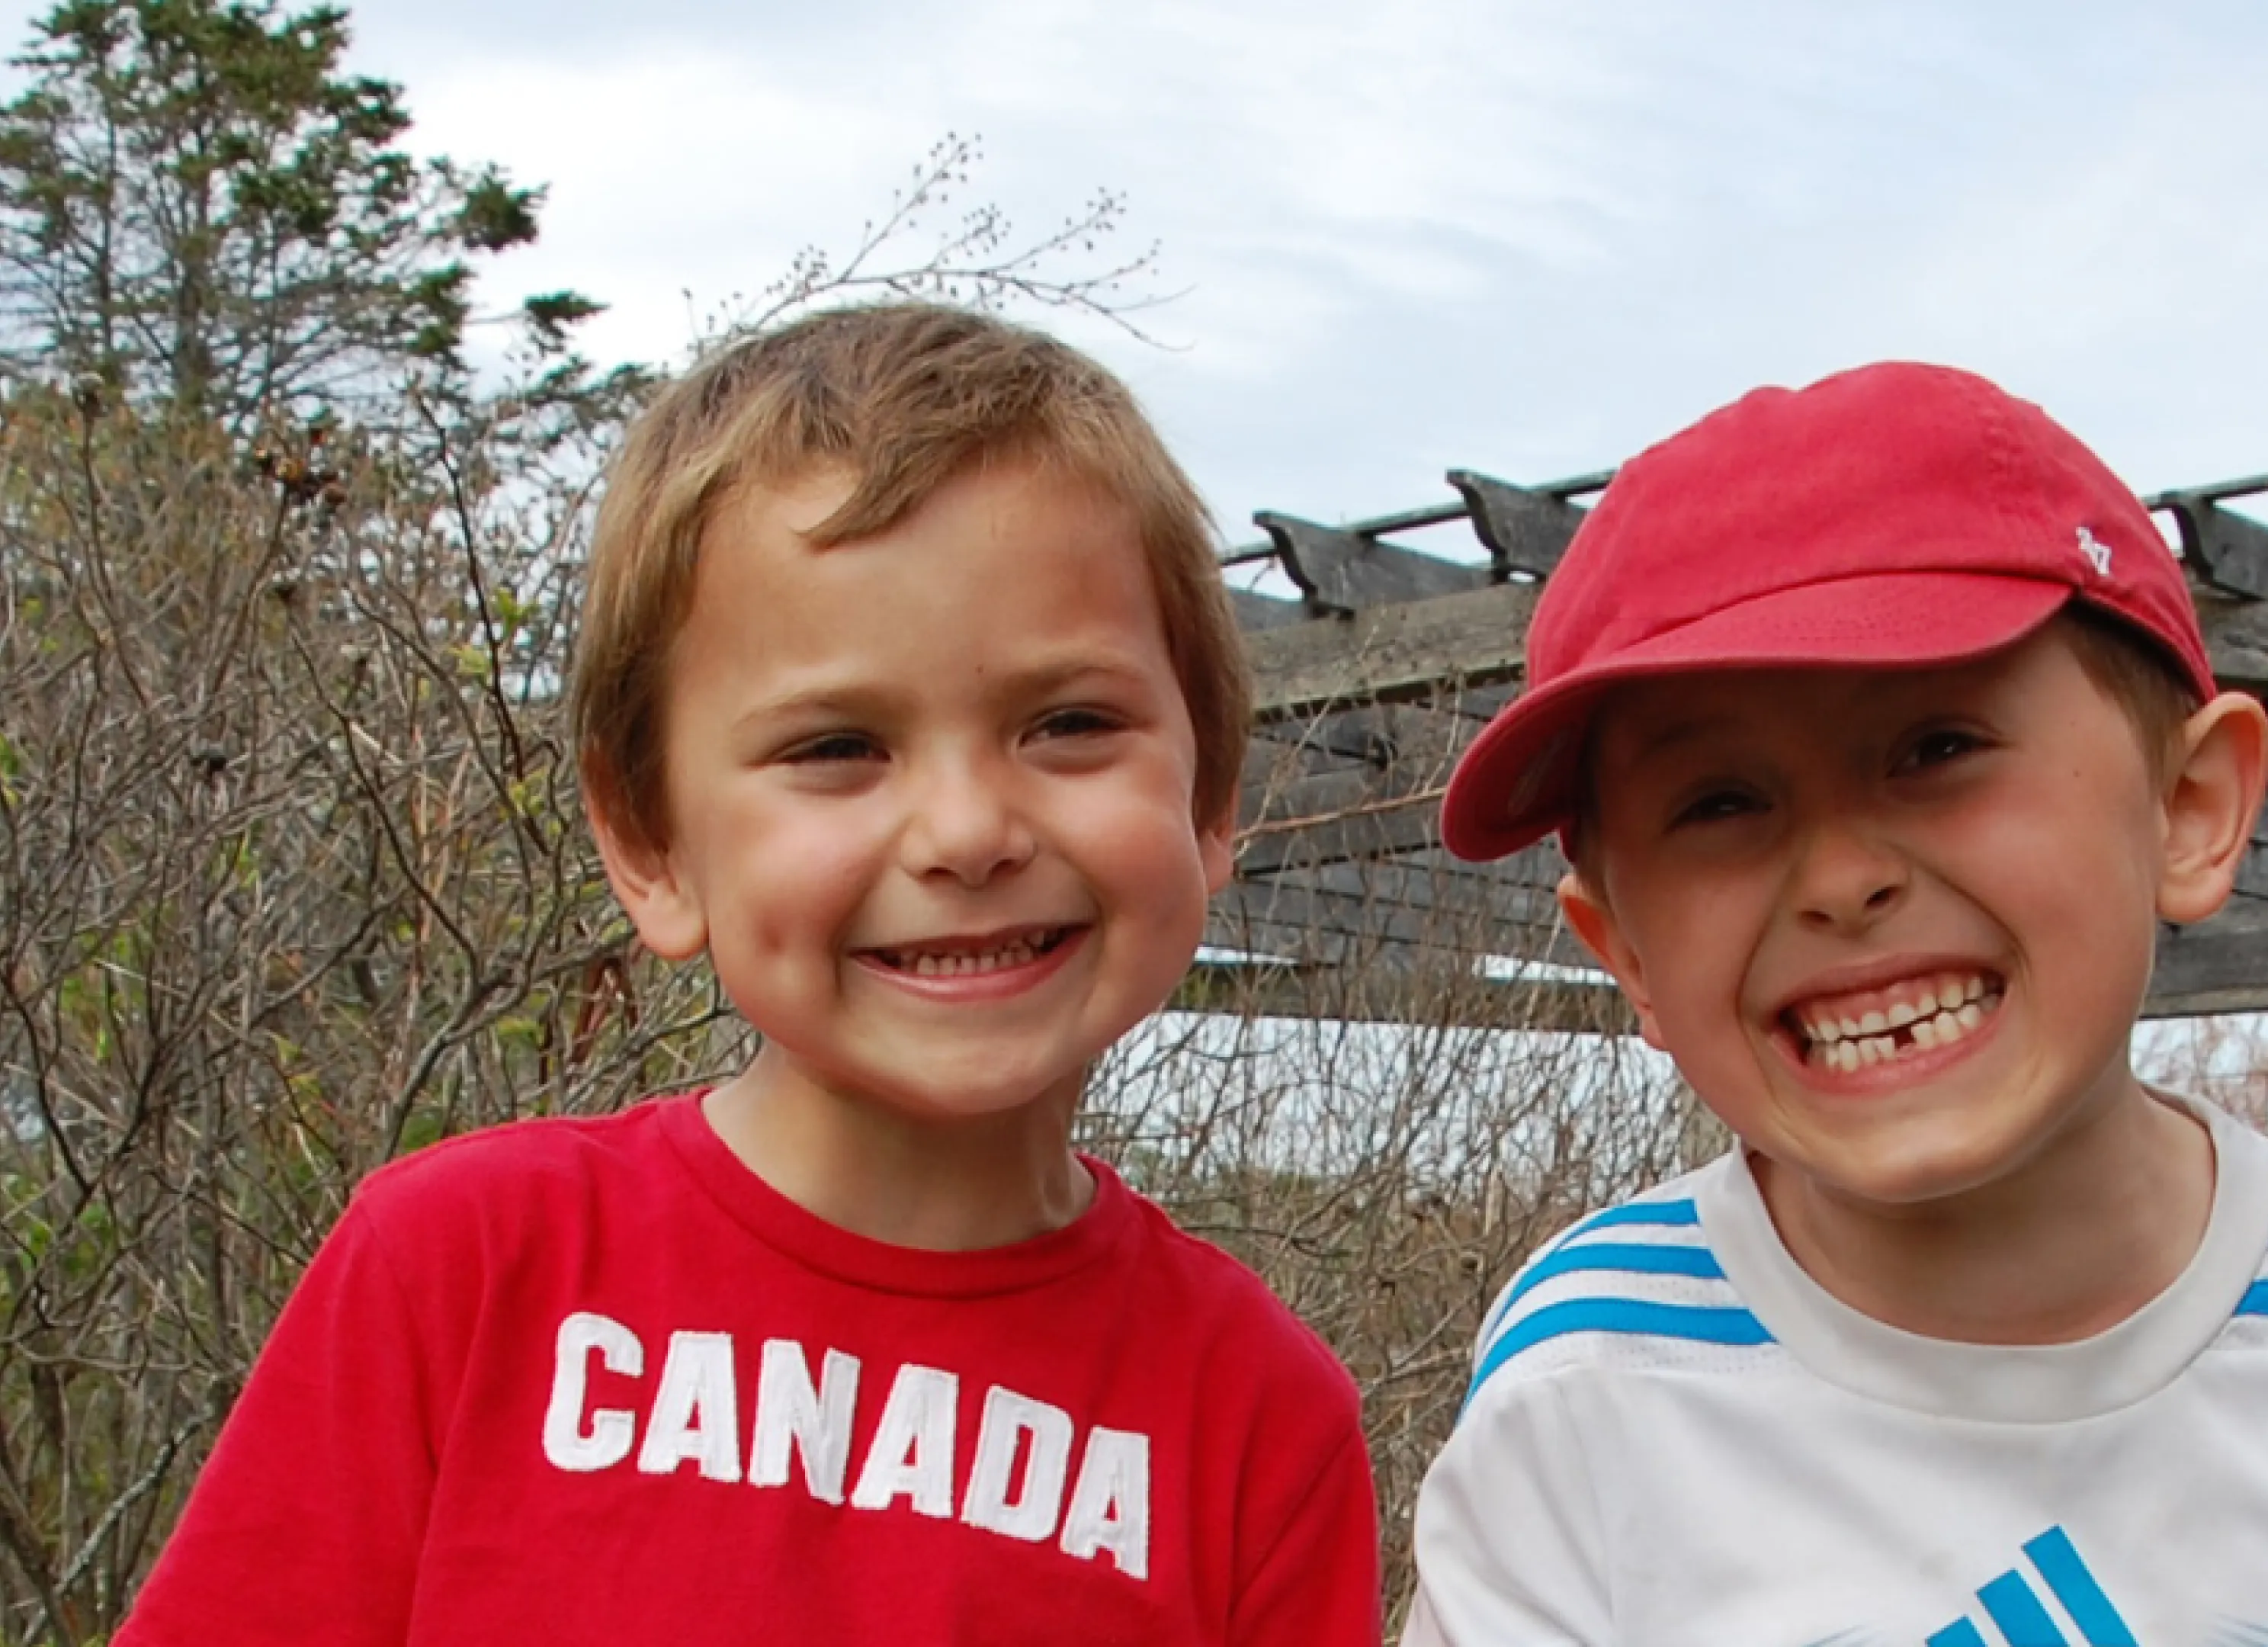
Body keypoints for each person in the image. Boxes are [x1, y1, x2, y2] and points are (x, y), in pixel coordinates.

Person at [120, 304, 1382, 1645]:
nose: (967, 834)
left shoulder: (1259, 1418)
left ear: (1209, 795)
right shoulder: (467, 1272)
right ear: (651, 841)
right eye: (837, 748)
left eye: (1070, 723)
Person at [1407, 362, 2268, 1645]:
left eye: (1937, 748)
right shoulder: (1586, 1383)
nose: (1840, 878)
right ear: (1625, 954)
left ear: (2190, 809)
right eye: (1718, 803)